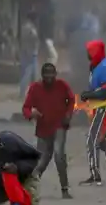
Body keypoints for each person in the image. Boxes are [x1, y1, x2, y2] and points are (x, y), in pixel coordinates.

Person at [21, 63, 74, 198]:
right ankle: (30, 188)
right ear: (42, 75)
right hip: (43, 127)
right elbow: (26, 108)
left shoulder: (62, 85)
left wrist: (68, 114)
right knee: (41, 160)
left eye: (52, 73)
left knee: (58, 154)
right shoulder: (35, 88)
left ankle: (64, 188)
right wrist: (31, 113)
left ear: (55, 74)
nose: (49, 76)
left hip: (59, 125)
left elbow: (71, 99)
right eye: (46, 74)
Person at [77, 40, 106, 187]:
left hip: (105, 107)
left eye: (89, 51)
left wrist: (90, 95)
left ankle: (95, 176)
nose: (87, 54)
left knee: (92, 141)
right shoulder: (97, 65)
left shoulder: (105, 67)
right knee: (98, 140)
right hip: (100, 107)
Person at [18, 14, 39, 97]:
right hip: (30, 53)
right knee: (27, 74)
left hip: (28, 52)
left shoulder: (25, 27)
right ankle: (22, 93)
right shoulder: (30, 28)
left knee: (32, 74)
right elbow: (33, 39)